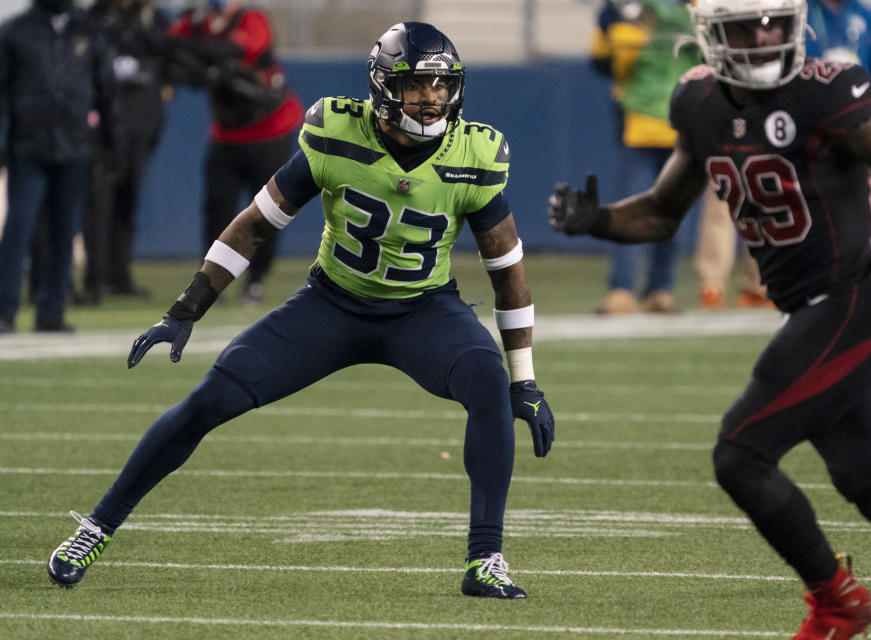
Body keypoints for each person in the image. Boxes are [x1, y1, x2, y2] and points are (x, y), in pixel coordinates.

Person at [47, 22, 555, 600]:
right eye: (417, 84)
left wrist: (526, 380)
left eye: (441, 84)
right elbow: (257, 223)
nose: (432, 97)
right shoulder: (336, 131)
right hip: (331, 305)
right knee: (211, 399)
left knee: (489, 381)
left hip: (423, 310)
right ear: (384, 84)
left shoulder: (477, 152)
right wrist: (187, 307)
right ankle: (97, 526)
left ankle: (485, 559)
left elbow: (507, 274)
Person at [549, 0, 871, 636]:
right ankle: (840, 602)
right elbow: (662, 211)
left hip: (855, 300)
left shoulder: (822, 96)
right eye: (747, 24)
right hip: (815, 309)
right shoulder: (699, 105)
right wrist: (596, 220)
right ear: (711, 36)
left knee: (741, 455)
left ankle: (838, 602)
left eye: (775, 21)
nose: (765, 34)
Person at [165, 0, 302, 304]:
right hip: (226, 133)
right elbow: (167, 42)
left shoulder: (251, 18)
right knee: (217, 209)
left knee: (267, 212)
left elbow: (231, 50)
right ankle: (211, 282)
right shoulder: (196, 22)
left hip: (269, 129)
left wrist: (194, 52)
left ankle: (255, 280)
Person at [0, 0, 114, 333]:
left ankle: (52, 311)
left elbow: (105, 89)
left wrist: (111, 142)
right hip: (29, 145)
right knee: (19, 228)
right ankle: (5, 308)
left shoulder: (89, 31)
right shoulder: (16, 31)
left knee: (65, 232)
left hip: (75, 145)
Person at [590, 0, 702, 314]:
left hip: (681, 124)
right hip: (643, 120)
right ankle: (625, 288)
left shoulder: (696, 9)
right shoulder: (627, 8)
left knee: (670, 213)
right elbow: (602, 60)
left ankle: (658, 289)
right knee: (635, 209)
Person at [78, 0, 170, 304]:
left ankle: (120, 274)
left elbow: (167, 60)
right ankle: (97, 276)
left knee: (128, 203)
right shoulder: (96, 16)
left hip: (140, 124)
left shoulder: (152, 18)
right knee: (98, 203)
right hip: (102, 128)